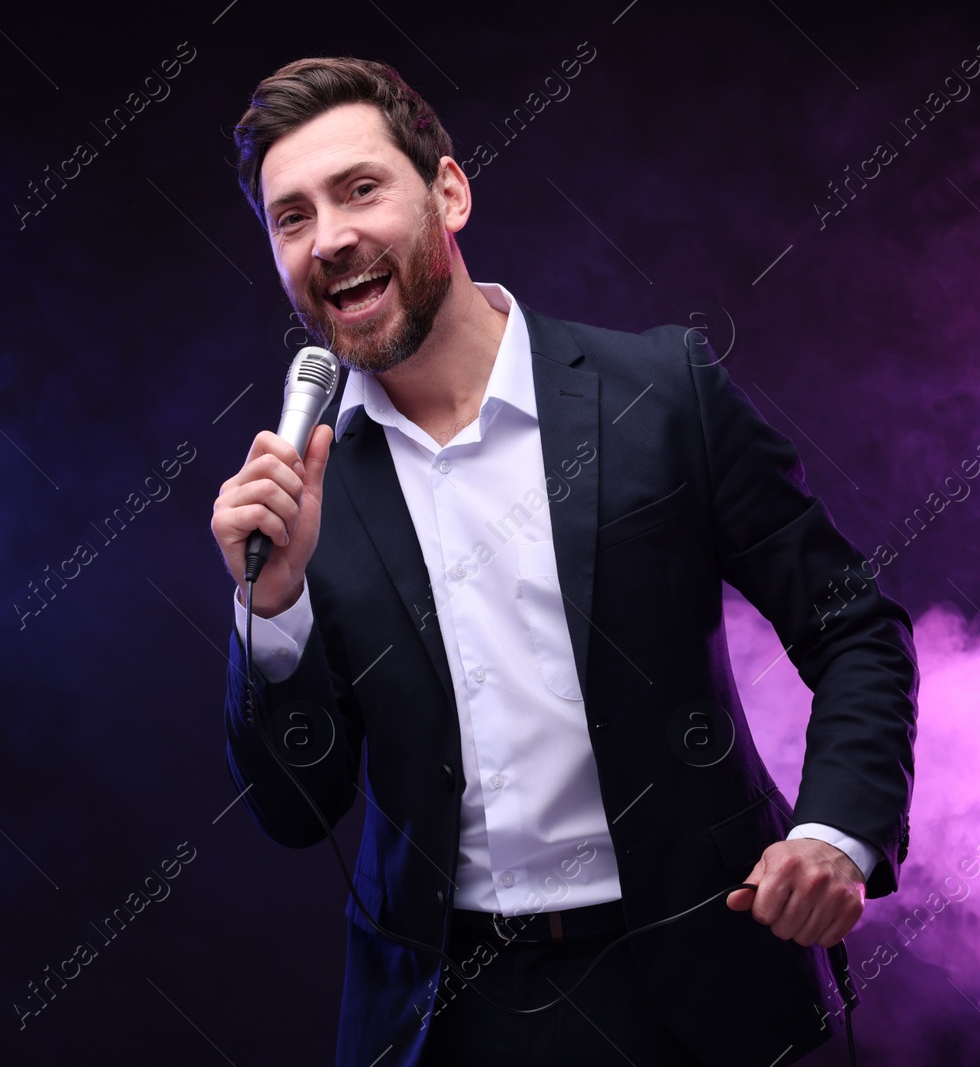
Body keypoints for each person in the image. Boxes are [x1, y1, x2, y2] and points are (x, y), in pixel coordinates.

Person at [209, 57, 918, 1067]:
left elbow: (853, 625)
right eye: (291, 216)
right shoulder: (301, 487)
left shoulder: (659, 389)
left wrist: (833, 833)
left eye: (361, 188)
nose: (330, 237)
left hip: (696, 976)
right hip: (448, 1015)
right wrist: (272, 616)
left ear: (448, 191)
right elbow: (295, 809)